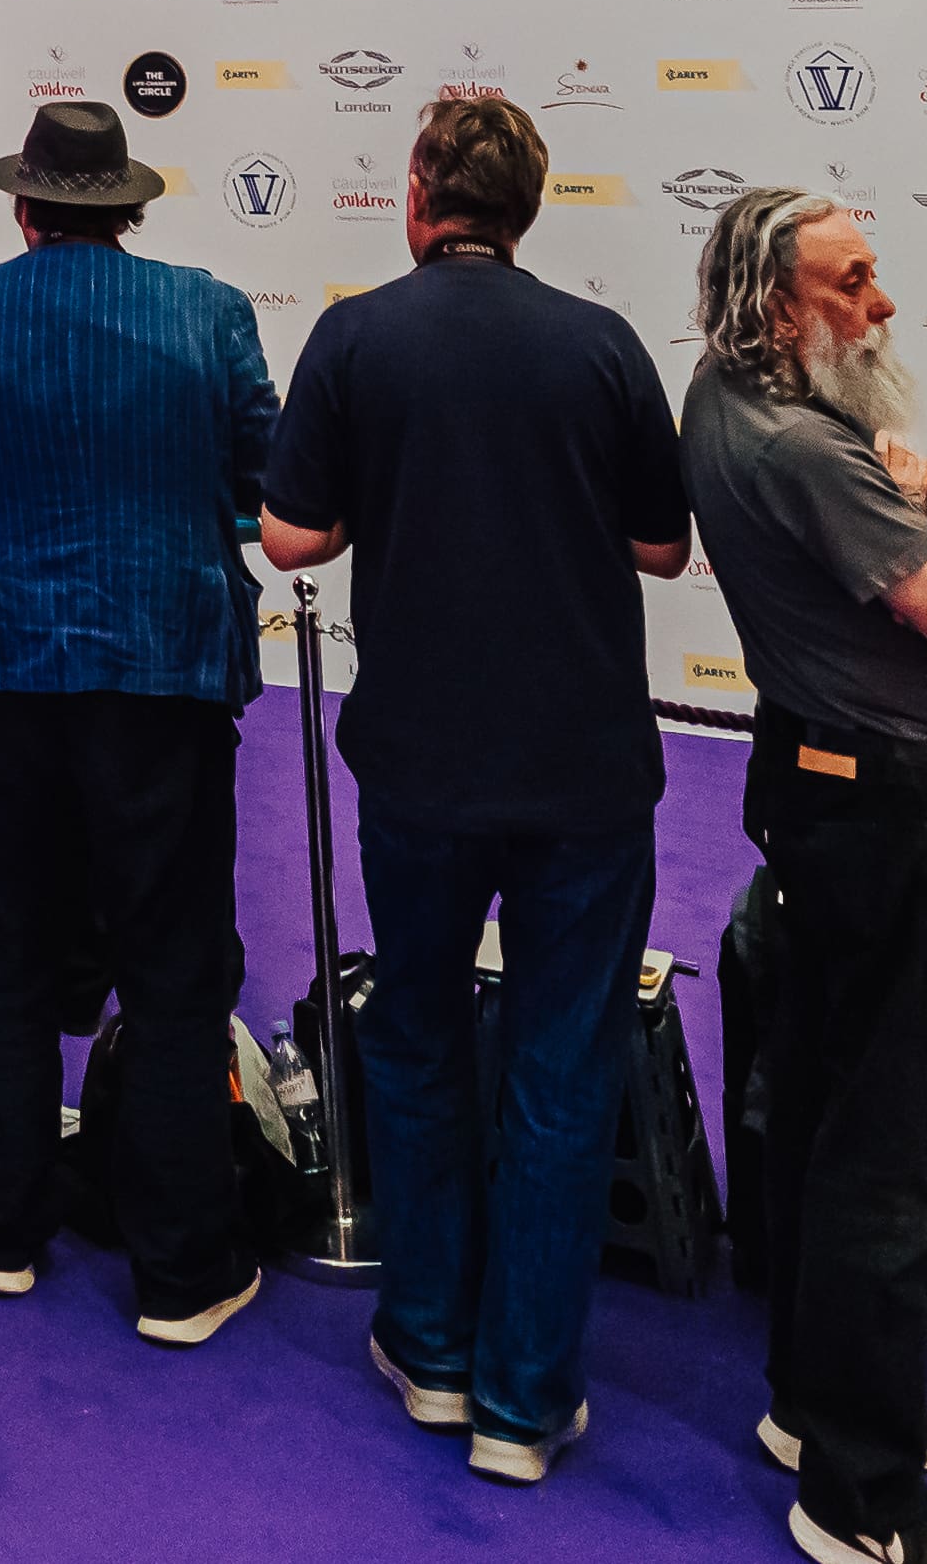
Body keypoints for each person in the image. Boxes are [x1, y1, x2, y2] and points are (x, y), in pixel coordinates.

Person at [258, 93, 688, 1486]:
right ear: (529, 206)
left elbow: (291, 534)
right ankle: (522, 1397)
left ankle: (430, 1348)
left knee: (422, 1045)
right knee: (564, 1072)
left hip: (422, 763)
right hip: (582, 767)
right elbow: (662, 547)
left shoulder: (354, 332)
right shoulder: (602, 340)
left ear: (418, 193)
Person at [0, 98, 276, 1344]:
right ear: (128, 204)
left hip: (6, 665)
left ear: (22, 204)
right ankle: (178, 1273)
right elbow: (263, 478)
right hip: (163, 666)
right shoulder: (206, 306)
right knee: (171, 967)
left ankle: (1, 1234)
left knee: (2, 950)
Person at [677, 188, 927, 1564]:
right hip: (888, 814)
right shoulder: (810, 450)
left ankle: (818, 1401)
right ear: (779, 306)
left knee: (824, 1102)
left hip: (826, 796)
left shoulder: (723, 398)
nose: (882, 303)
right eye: (853, 279)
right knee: (895, 1146)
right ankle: (860, 1494)